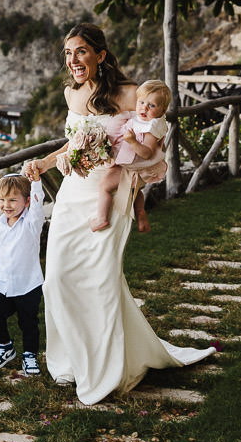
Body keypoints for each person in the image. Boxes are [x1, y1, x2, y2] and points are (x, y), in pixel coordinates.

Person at [23, 23, 215, 405]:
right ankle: (73, 360)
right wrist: (45, 163)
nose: (72, 60)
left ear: (100, 55)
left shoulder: (131, 94)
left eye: (80, 51)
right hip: (73, 191)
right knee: (57, 278)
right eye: (67, 53)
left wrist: (137, 180)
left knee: (100, 279)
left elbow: (154, 137)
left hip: (111, 193)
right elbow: (73, 142)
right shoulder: (70, 93)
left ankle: (107, 370)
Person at [0, 174, 45, 376]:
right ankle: (5, 346)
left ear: (26, 201)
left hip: (29, 284)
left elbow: (38, 202)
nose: (6, 205)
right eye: (2, 200)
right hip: (4, 283)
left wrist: (35, 181)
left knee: (28, 322)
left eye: (12, 200)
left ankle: (29, 355)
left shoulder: (32, 223)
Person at [91, 79, 171, 234]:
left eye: (152, 105)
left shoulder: (151, 127)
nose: (144, 108)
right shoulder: (146, 119)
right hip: (131, 163)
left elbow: (147, 153)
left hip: (132, 164)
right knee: (134, 189)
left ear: (163, 110)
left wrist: (132, 141)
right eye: (141, 102)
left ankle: (102, 218)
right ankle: (140, 212)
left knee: (105, 186)